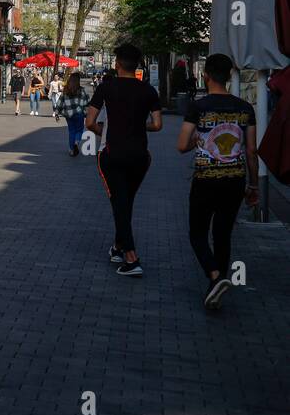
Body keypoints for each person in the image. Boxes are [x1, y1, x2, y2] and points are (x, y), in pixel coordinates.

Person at [177, 54, 258, 309]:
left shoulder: (199, 107)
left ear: (206, 76)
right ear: (230, 76)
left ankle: (214, 276)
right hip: (235, 179)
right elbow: (251, 151)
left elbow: (181, 146)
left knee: (197, 233)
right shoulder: (246, 108)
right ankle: (218, 285)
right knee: (223, 234)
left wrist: (197, 142)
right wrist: (253, 186)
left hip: (205, 180)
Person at [86, 43, 162, 278]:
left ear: (117, 63)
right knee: (125, 201)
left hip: (112, 153)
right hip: (140, 155)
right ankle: (118, 247)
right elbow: (158, 125)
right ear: (137, 65)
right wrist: (138, 127)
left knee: (119, 202)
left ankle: (131, 257)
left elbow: (90, 122)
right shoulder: (149, 91)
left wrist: (105, 132)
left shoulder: (105, 87)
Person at [55, 71, 89, 156]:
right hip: (79, 113)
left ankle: (71, 150)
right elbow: (86, 102)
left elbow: (60, 102)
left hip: (68, 114)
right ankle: (77, 142)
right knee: (79, 130)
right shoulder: (82, 90)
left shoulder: (65, 90)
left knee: (71, 131)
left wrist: (56, 113)